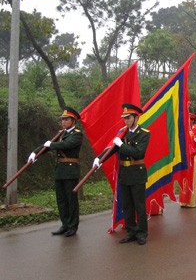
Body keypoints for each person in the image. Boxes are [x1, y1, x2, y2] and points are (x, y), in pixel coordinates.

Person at [94, 103, 150, 245]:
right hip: (124, 174)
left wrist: (122, 145)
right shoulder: (122, 132)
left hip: (137, 173)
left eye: (128, 117)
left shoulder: (144, 133)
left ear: (136, 118)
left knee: (139, 205)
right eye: (124, 118)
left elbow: (138, 153)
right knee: (127, 205)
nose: (126, 120)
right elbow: (112, 148)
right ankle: (131, 231)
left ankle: (142, 233)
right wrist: (99, 158)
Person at [29, 107, 83, 237]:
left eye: (66, 119)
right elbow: (47, 146)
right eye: (62, 119)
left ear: (73, 120)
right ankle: (65, 224)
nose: (63, 122)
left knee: (71, 200)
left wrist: (51, 145)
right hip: (60, 171)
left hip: (70, 171)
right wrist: (35, 152)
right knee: (61, 200)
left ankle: (72, 226)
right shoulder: (61, 134)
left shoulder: (77, 134)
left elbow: (66, 145)